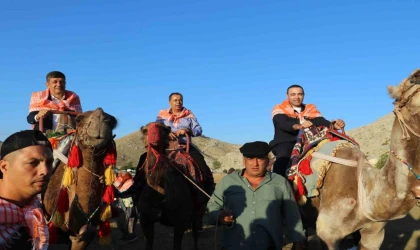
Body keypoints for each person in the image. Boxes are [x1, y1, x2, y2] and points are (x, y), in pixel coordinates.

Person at [207, 141, 306, 250]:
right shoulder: (228, 182)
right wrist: (219, 216)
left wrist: (298, 240)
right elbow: (213, 205)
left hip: (270, 246)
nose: (255, 163)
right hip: (234, 246)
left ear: (268, 160)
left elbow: (292, 214)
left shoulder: (280, 182)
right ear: (244, 161)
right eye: (250, 158)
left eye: (260, 158)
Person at [270, 84, 345, 177]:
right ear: (287, 96)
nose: (297, 97)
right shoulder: (279, 108)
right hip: (286, 141)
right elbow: (281, 122)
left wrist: (333, 125)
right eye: (293, 94)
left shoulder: (310, 108)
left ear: (303, 95)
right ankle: (277, 184)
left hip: (308, 140)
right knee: (283, 158)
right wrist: (298, 126)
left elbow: (320, 121)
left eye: (300, 94)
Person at [0, 130, 53, 250]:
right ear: (4, 167)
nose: (45, 171)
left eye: (49, 163)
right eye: (33, 163)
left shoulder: (34, 207)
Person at [113, 172, 138, 243]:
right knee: (121, 221)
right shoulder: (121, 183)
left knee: (130, 220)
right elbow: (116, 190)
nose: (121, 176)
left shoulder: (131, 183)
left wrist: (114, 193)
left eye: (122, 175)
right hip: (120, 204)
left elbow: (124, 193)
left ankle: (131, 236)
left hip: (128, 204)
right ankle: (125, 234)